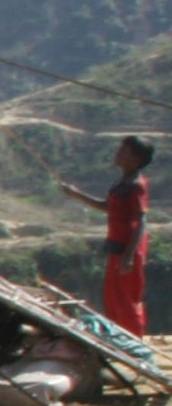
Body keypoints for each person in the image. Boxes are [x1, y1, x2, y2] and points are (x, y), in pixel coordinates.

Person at [61, 135, 153, 337]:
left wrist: (129, 256)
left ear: (135, 160)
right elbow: (107, 207)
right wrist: (76, 194)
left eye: (124, 151)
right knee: (113, 295)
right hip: (118, 245)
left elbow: (141, 221)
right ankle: (118, 336)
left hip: (128, 248)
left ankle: (133, 339)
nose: (118, 153)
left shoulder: (136, 186)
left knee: (126, 297)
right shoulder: (123, 182)